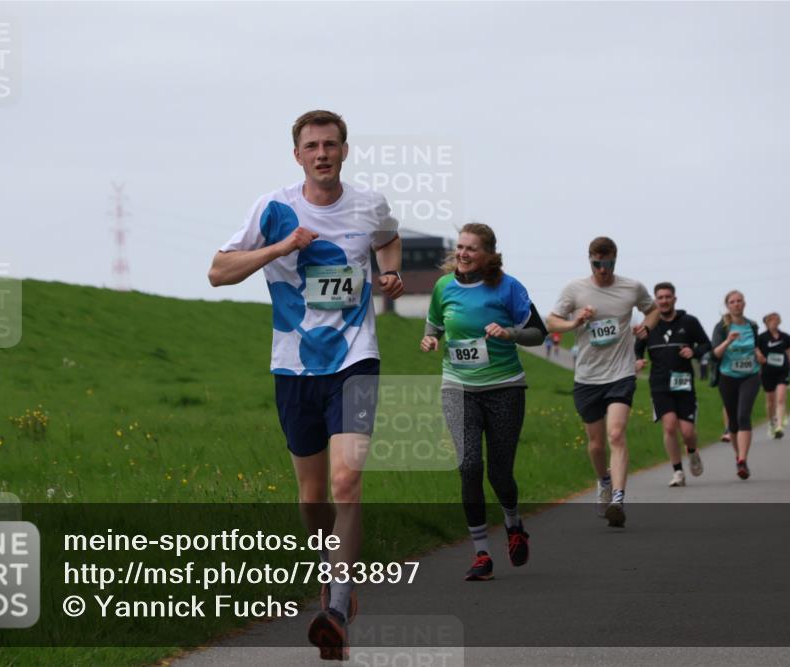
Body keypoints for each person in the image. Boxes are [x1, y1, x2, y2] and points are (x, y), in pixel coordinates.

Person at [208, 110, 404, 660]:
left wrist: (388, 271)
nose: (322, 153)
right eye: (312, 145)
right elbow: (218, 271)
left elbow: (388, 240)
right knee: (313, 496)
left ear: (345, 150)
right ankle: (330, 574)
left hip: (355, 360)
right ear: (297, 155)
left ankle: (337, 608)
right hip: (294, 367)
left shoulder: (369, 203)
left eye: (331, 144)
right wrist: (281, 247)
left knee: (346, 483)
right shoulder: (273, 209)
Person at [421, 223, 547, 581]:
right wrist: (430, 340)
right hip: (458, 387)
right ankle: (481, 554)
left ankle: (514, 524)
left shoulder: (508, 288)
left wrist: (510, 333)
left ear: (489, 254)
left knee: (499, 472)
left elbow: (539, 333)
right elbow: (434, 327)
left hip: (505, 388)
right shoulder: (443, 287)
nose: (462, 254)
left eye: (471, 249)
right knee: (469, 466)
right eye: (460, 247)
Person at [546, 237, 659, 527]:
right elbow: (552, 320)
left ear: (615, 260)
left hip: (621, 373)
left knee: (616, 434)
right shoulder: (575, 289)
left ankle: (618, 500)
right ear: (590, 260)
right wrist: (575, 323)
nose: (603, 270)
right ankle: (604, 481)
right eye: (597, 264)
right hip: (587, 377)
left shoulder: (631, 288)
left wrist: (646, 327)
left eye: (608, 264)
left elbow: (653, 308)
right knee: (596, 445)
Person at [634, 282, 712, 487]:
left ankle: (693, 453)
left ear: (674, 299)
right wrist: (638, 360)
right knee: (669, 427)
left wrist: (693, 352)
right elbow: (637, 347)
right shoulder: (648, 324)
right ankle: (678, 472)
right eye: (660, 297)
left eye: (668, 297)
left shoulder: (689, 321)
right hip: (659, 384)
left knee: (687, 432)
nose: (664, 301)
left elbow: (706, 344)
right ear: (655, 300)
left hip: (684, 383)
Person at [711, 290, 763, 480]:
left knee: (743, 416)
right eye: (732, 302)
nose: (736, 304)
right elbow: (715, 353)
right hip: (728, 377)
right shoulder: (722, 327)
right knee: (733, 421)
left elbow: (758, 347)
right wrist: (728, 341)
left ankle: (742, 460)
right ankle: (738, 455)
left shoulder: (753, 326)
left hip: (750, 376)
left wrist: (759, 355)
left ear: (744, 303)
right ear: (727, 305)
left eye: (739, 301)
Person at [758, 313, 790, 439]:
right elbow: (756, 351)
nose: (774, 323)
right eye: (771, 321)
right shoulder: (762, 337)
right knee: (770, 401)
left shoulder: (785, 337)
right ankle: (771, 422)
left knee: (780, 399)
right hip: (767, 372)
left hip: (782, 370)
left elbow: (789, 350)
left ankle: (779, 426)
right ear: (767, 323)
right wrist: (760, 357)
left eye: (776, 321)